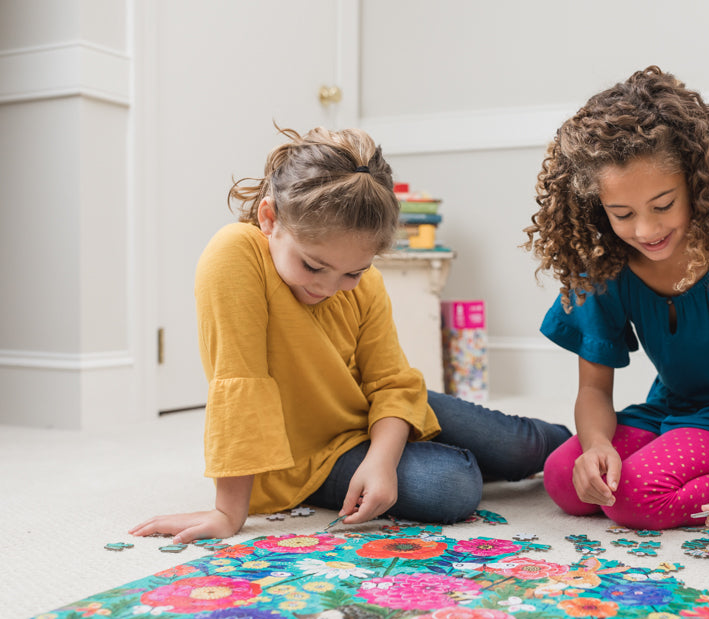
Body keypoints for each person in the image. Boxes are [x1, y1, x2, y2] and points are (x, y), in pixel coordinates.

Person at [131, 126, 570, 544]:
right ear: (270, 218)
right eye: (313, 265)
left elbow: (390, 383)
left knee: (523, 446)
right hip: (301, 459)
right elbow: (238, 384)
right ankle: (443, 452)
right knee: (452, 486)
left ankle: (594, 443)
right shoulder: (235, 253)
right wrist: (229, 513)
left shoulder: (367, 284)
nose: (325, 286)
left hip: (365, 413)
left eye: (352, 272)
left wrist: (382, 458)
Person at [523, 66, 709, 537]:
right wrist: (598, 442)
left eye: (663, 205)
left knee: (636, 500)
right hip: (671, 404)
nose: (646, 230)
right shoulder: (605, 267)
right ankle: (681, 463)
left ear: (697, 186)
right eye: (622, 214)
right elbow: (595, 390)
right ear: (597, 208)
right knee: (566, 478)